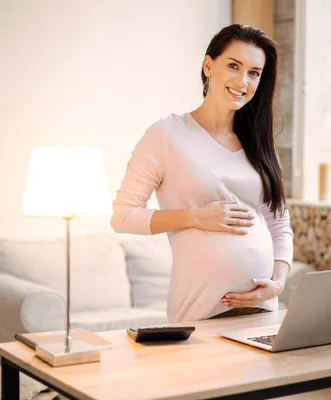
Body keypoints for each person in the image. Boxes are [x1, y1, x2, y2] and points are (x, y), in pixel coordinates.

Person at [110, 24, 293, 323]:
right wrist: (194, 217)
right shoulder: (167, 135)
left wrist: (278, 282)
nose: (242, 80)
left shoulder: (259, 144)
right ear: (209, 66)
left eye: (254, 73)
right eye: (233, 66)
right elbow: (122, 216)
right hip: (200, 309)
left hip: (262, 307)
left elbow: (277, 220)